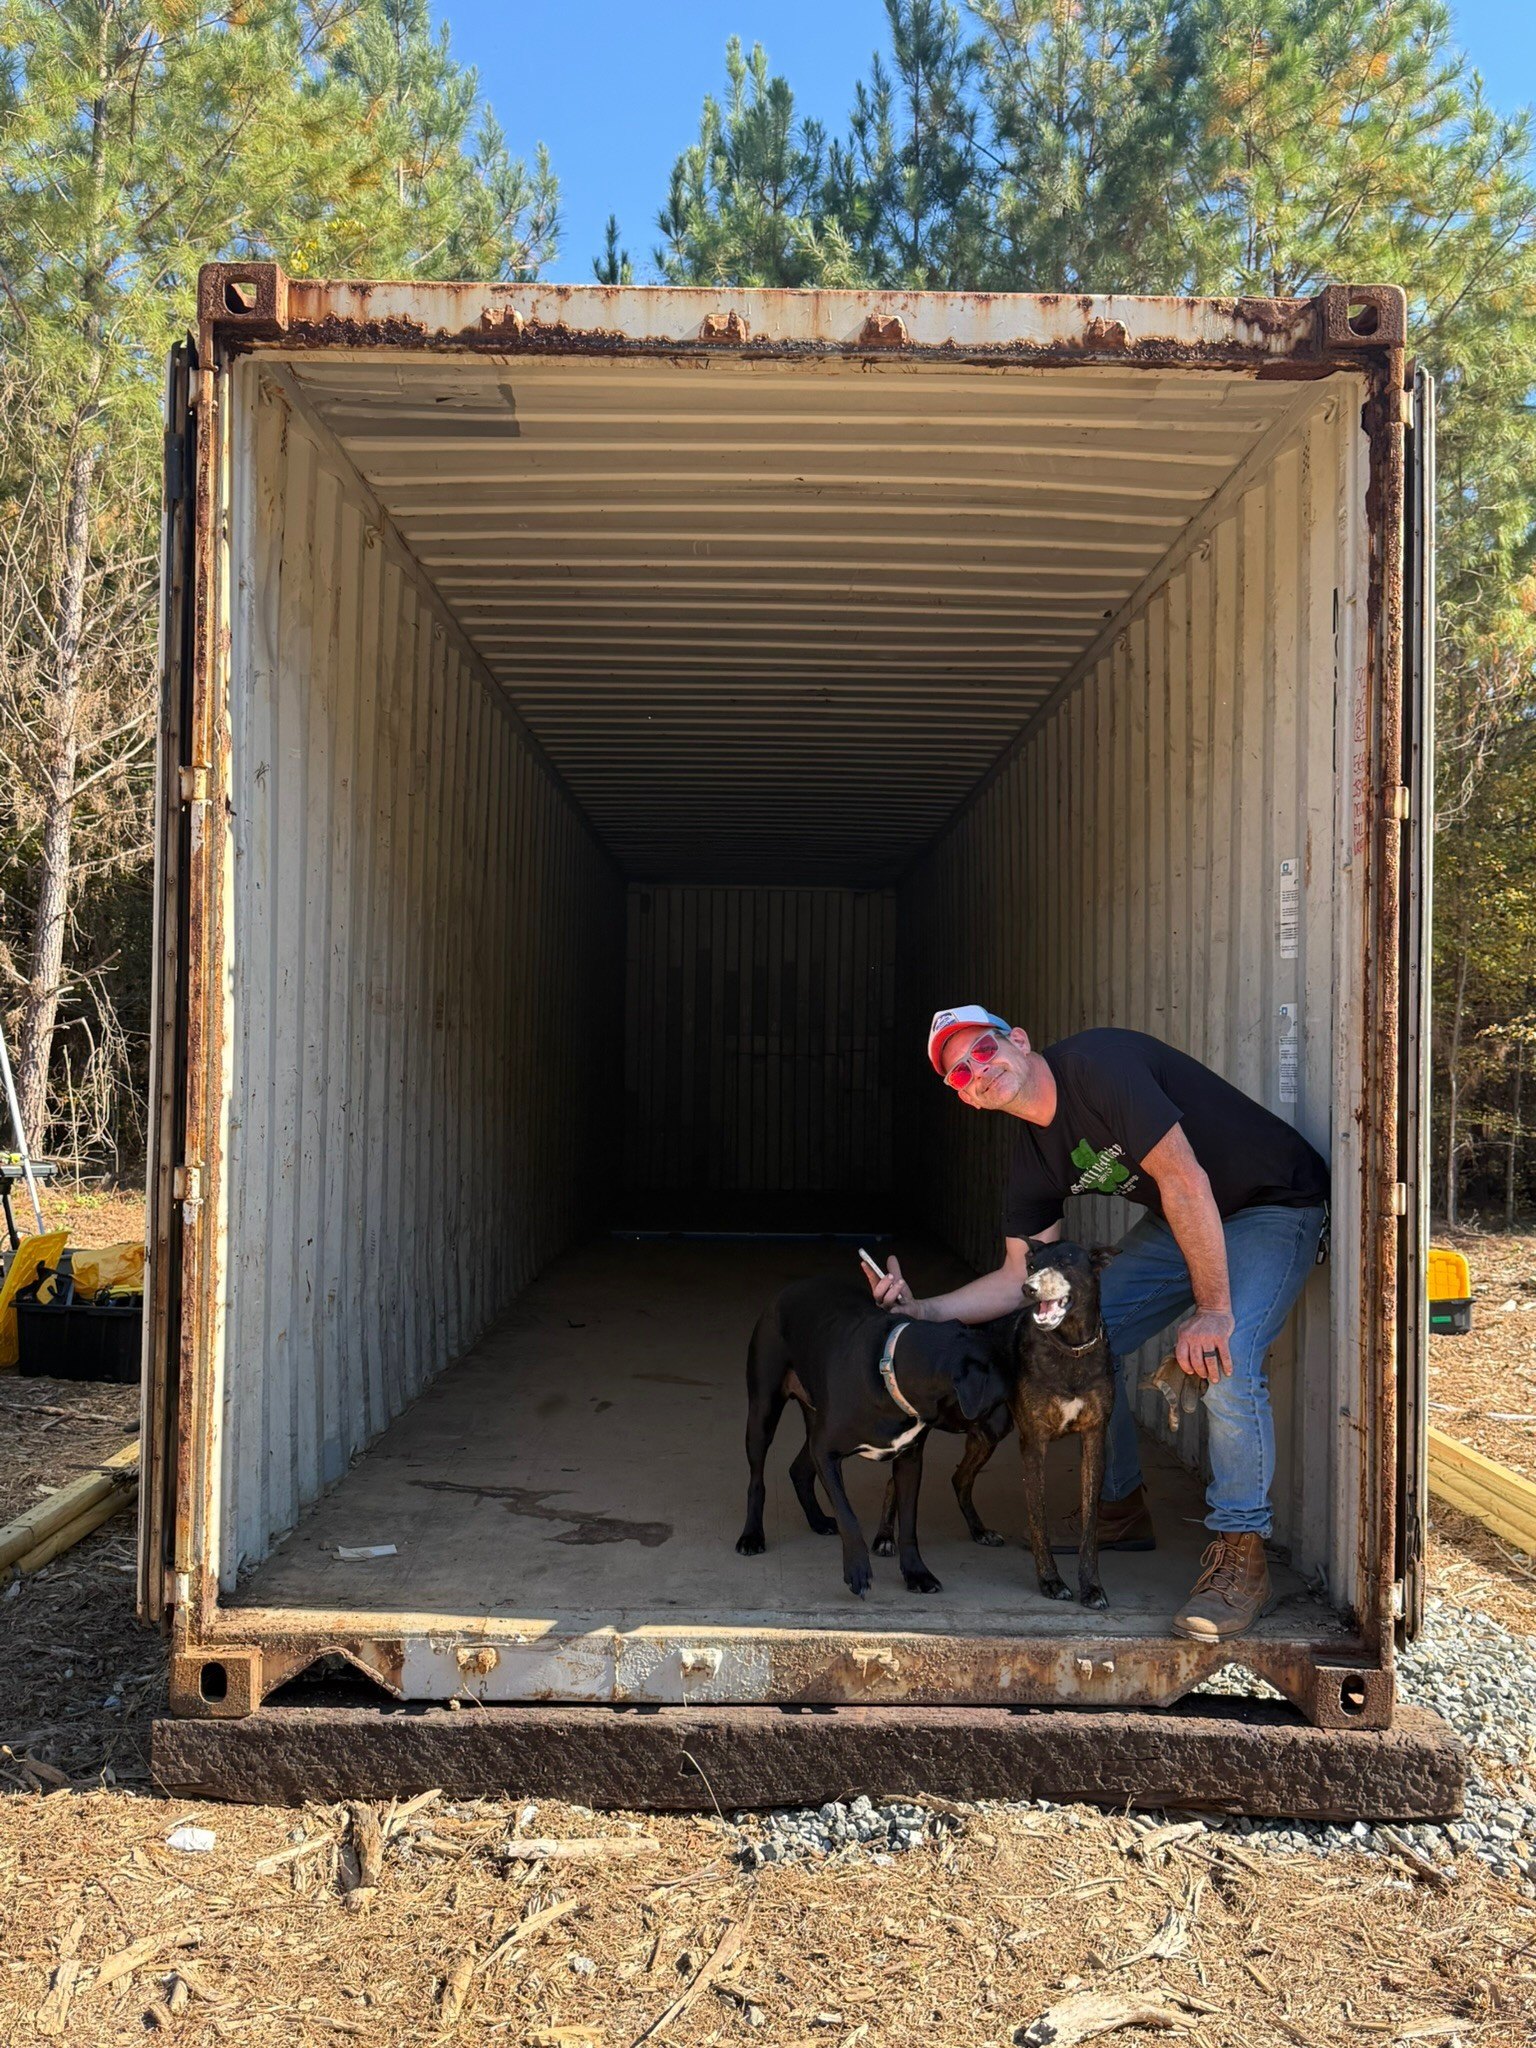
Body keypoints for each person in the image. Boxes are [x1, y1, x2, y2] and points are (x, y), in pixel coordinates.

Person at [865, 1007, 1329, 1643]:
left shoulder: (1098, 1068)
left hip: (1270, 1203)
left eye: (983, 1051)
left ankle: (1239, 1558)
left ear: (1019, 1042)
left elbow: (1186, 1178)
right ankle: (1116, 1508)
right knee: (1074, 1339)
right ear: (966, 1098)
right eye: (961, 1074)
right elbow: (1013, 1280)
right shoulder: (1032, 1158)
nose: (977, 1072)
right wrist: (918, 1309)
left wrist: (1213, 1309)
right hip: (1180, 1220)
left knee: (1228, 1357)